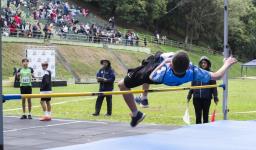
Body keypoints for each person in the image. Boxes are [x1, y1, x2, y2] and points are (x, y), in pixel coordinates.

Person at [118, 50, 237, 127]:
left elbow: (151, 76)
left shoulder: (164, 71)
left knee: (122, 84)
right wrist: (227, 63)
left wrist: (164, 62)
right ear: (187, 66)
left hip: (157, 72)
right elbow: (217, 75)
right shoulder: (193, 71)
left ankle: (136, 113)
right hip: (169, 77)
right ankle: (144, 98)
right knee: (150, 61)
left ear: (171, 64)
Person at [187, 56, 219, 124]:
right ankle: (198, 132)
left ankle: (205, 132)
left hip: (206, 98)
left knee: (205, 117)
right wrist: (189, 95)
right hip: (196, 98)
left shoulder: (211, 74)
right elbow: (192, 85)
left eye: (205, 63)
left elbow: (214, 87)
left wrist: (215, 97)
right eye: (202, 63)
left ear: (208, 64)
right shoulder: (196, 73)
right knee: (198, 116)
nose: (203, 64)